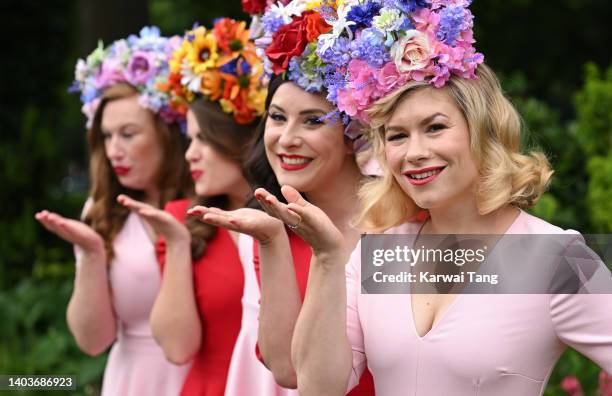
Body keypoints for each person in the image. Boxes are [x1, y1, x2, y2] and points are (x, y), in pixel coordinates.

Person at [247, 2, 612, 395]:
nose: (413, 152)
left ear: (483, 131)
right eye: (397, 136)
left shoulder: (557, 258)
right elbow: (318, 387)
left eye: (434, 128)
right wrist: (327, 259)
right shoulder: (380, 251)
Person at [187, 2, 376, 394]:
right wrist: (272, 242)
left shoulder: (404, 222)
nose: (286, 138)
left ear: (353, 134)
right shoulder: (273, 230)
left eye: (311, 120)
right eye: (276, 117)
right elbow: (287, 371)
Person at [35, 27, 192, 395]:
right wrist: (90, 253)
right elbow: (93, 343)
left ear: (167, 135)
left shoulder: (209, 202)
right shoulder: (103, 212)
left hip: (211, 374)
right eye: (106, 136)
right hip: (134, 381)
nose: (113, 150)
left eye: (128, 134)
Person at [117, 18, 266, 396]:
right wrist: (178, 244)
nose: (190, 154)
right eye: (188, 139)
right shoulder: (183, 220)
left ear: (241, 142)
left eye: (203, 140)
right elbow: (177, 348)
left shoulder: (297, 220)